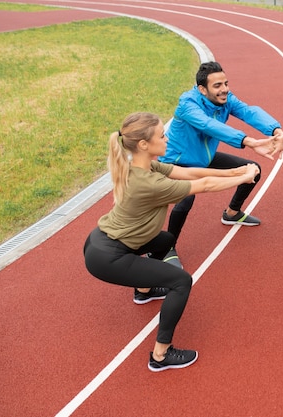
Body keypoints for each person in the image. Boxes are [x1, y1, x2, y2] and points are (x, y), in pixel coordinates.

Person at [83, 112, 260, 372]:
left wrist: (236, 169)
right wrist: (244, 178)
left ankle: (143, 291)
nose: (167, 139)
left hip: (102, 239)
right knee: (181, 281)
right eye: (162, 136)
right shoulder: (150, 184)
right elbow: (205, 185)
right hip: (108, 257)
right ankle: (160, 355)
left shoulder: (144, 166)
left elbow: (187, 172)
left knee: (164, 239)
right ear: (144, 144)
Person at [159, 61, 283, 267]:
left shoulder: (226, 99)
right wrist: (249, 141)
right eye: (217, 85)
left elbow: (249, 112)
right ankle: (168, 247)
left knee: (252, 170)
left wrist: (276, 130)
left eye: (226, 83)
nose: (225, 89)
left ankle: (232, 213)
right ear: (202, 89)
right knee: (186, 199)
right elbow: (209, 125)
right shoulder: (188, 104)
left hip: (203, 159)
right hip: (176, 162)